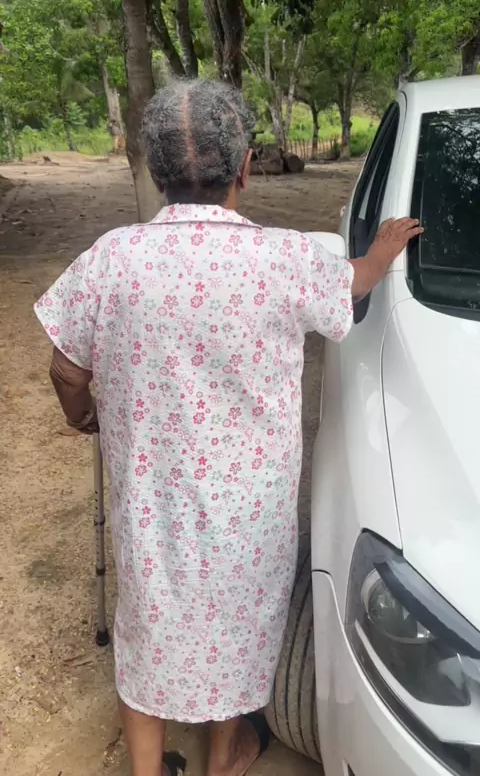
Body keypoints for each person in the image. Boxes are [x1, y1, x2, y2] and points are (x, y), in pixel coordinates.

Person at [34, 79, 422, 776]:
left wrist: (83, 413)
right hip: (248, 506)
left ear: (157, 172)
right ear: (244, 167)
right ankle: (225, 753)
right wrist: (384, 250)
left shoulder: (111, 257)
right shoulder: (284, 258)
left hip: (153, 500)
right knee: (238, 621)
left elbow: (66, 368)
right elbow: (355, 282)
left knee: (147, 620)